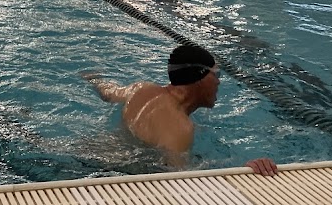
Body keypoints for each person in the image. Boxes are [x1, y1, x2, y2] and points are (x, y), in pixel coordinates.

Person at [83, 43, 277, 176]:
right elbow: (180, 181)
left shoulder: (142, 89)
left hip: (91, 151)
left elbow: (107, 92)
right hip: (109, 175)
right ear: (199, 76)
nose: (218, 81)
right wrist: (242, 172)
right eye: (216, 74)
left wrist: (93, 78)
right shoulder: (180, 126)